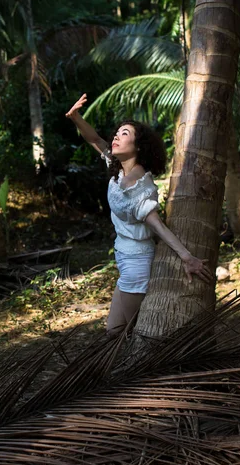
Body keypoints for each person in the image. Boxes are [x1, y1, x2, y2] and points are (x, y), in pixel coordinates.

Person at [66, 93, 213, 336]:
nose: (116, 136)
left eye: (125, 134)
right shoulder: (118, 168)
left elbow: (157, 225)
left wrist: (188, 258)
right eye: (118, 132)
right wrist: (75, 117)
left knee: (132, 331)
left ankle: (146, 370)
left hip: (137, 263)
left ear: (137, 147)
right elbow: (93, 138)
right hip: (124, 257)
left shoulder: (140, 186)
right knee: (115, 331)